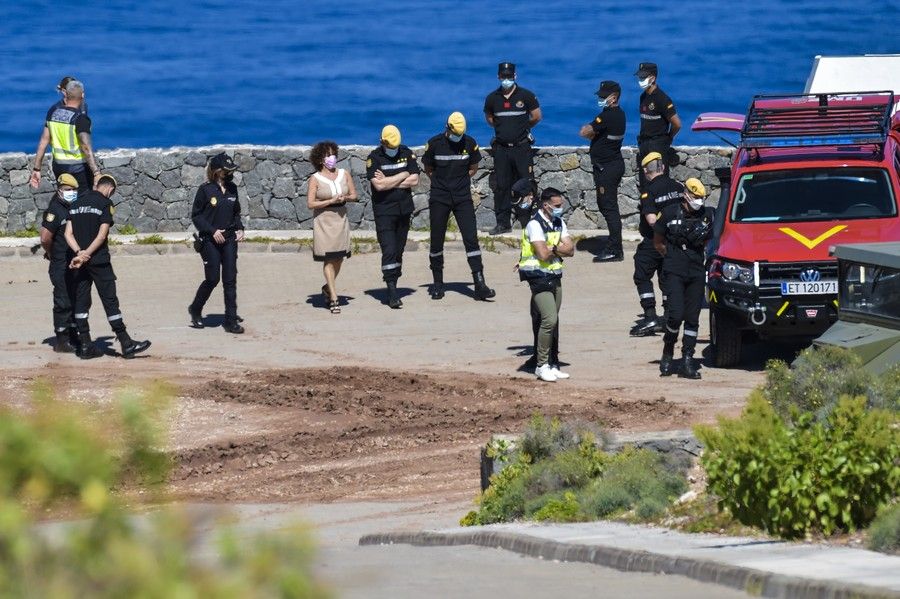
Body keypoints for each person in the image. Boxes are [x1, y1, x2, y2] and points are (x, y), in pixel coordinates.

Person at [64, 174, 151, 360]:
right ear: (110, 189)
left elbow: (67, 233)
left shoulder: (76, 203)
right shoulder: (105, 203)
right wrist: (88, 254)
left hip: (79, 261)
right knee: (110, 301)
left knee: (81, 302)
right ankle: (126, 344)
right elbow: (102, 235)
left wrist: (80, 253)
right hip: (99, 260)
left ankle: (86, 345)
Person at [422, 112, 495, 301]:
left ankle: (479, 283)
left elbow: (473, 167)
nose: (458, 137)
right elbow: (428, 168)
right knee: (436, 240)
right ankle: (438, 284)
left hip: (462, 197)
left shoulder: (470, 143)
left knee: (471, 239)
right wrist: (441, 183)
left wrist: (459, 182)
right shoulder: (434, 144)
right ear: (447, 128)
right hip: (440, 197)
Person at [654, 178, 715, 379]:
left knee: (692, 317)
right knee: (676, 314)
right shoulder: (670, 213)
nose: (699, 201)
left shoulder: (707, 215)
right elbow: (658, 242)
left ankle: (688, 359)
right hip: (674, 269)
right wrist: (672, 257)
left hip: (696, 270)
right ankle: (668, 350)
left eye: (701, 197)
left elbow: (711, 239)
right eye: (696, 197)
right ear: (686, 194)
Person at [518, 188, 575, 382]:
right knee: (549, 319)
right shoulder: (535, 224)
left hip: (554, 274)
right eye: (557, 206)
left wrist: (553, 248)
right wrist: (558, 249)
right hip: (537, 276)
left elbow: (571, 250)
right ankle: (541, 365)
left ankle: (552, 362)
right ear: (546, 205)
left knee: (553, 320)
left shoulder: (558, 222)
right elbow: (542, 254)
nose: (561, 209)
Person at [188, 152, 245, 333]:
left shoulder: (232, 189)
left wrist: (240, 228)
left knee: (230, 279)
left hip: (229, 239)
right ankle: (195, 309)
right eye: (225, 170)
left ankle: (230, 319)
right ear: (216, 170)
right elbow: (196, 216)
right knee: (213, 278)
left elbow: (236, 213)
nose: (228, 173)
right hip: (209, 240)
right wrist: (212, 231)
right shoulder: (205, 190)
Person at [366, 125, 420, 309]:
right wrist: (403, 174)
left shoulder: (406, 153)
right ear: (382, 142)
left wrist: (390, 179)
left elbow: (415, 180)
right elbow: (379, 186)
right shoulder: (374, 158)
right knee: (388, 250)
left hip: (403, 210)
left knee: (399, 250)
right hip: (384, 211)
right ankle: (391, 291)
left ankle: (394, 283)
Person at [484, 62, 541, 235]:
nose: (506, 79)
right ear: (498, 77)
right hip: (502, 149)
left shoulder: (526, 96)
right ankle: (503, 223)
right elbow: (490, 119)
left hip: (521, 148)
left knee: (527, 184)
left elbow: (537, 116)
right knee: (502, 186)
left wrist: (523, 127)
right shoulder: (492, 98)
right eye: (504, 76)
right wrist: (504, 129)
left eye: (509, 76)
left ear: (515, 76)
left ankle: (529, 222)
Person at [631, 152, 684, 337]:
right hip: (676, 240)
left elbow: (652, 219)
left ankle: (650, 315)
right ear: (662, 167)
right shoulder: (678, 187)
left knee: (642, 275)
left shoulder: (649, 191)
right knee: (666, 278)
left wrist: (661, 231)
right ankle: (669, 317)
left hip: (655, 240)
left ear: (646, 170)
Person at [308, 141, 358, 314]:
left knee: (339, 258)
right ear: (321, 159)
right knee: (329, 259)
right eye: (328, 155)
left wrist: (344, 197)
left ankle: (327, 287)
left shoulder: (344, 174)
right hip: (324, 221)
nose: (332, 158)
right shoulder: (315, 178)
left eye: (333, 154)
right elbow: (310, 203)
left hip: (340, 219)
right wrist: (329, 201)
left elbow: (354, 195)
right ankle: (334, 297)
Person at [579, 80, 626, 262]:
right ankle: (615, 245)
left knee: (609, 207)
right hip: (610, 165)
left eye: (603, 96)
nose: (600, 99)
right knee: (607, 205)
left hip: (608, 168)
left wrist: (593, 132)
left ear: (613, 98)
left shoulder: (607, 116)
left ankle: (615, 249)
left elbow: (584, 132)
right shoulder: (618, 115)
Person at [30, 79, 101, 193]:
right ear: (82, 95)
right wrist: (96, 173)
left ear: (66, 94)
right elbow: (86, 147)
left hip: (59, 167)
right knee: (82, 201)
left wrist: (36, 169)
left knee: (65, 199)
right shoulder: (80, 118)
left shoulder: (53, 113)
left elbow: (43, 142)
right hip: (79, 168)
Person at [40, 173, 79, 353]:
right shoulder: (55, 209)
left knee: (74, 298)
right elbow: (45, 237)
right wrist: (51, 253)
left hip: (72, 261)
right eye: (68, 190)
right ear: (59, 190)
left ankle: (73, 334)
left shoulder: (72, 207)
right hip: (60, 262)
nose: (72, 193)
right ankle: (62, 340)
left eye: (74, 190)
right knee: (62, 300)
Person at [634, 62, 681, 192]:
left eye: (643, 77)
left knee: (659, 184)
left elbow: (677, 124)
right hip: (644, 144)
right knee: (645, 184)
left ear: (653, 78)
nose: (641, 80)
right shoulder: (643, 97)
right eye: (640, 77)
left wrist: (669, 137)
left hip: (657, 145)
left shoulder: (662, 99)